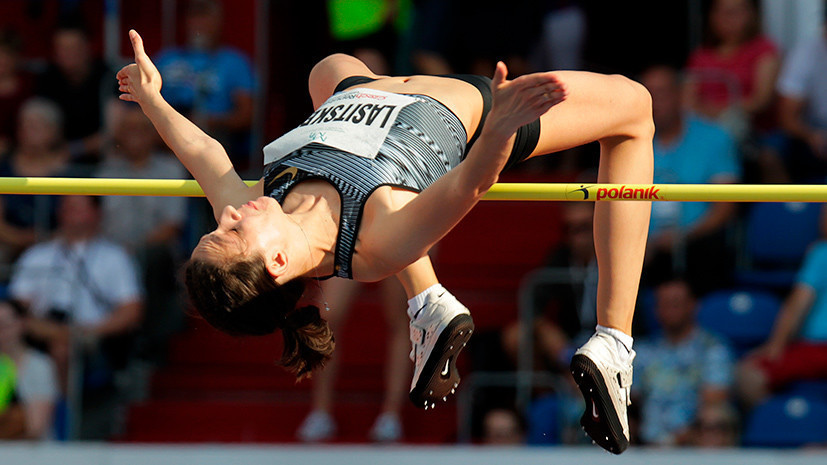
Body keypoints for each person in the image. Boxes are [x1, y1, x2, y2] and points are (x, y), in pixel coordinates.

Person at [118, 28, 654, 454]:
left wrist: (151, 100)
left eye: (218, 222)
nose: (229, 212)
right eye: (231, 231)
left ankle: (429, 301)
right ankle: (613, 340)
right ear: (278, 262)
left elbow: (206, 155)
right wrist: (499, 130)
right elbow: (470, 184)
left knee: (329, 68)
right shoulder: (376, 244)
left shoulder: (267, 203)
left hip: (362, 95)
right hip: (472, 113)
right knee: (635, 108)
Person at [8, 195, 144, 439]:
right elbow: (17, 305)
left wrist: (88, 331)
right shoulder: (38, 254)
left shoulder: (114, 256)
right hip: (39, 331)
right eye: (65, 207)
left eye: (77, 208)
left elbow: (131, 311)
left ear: (96, 213)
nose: (69, 213)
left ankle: (63, 419)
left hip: (94, 336)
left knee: (63, 347)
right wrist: (39, 327)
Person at [640, 65, 740, 294]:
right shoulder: (627, 143)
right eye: (648, 95)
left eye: (661, 93)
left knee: (710, 249)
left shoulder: (714, 137)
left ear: (679, 95)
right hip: (643, 248)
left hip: (698, 243)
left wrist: (683, 236)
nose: (654, 102)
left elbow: (726, 207)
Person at [296, 278, 410, 442]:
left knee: (400, 315)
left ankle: (391, 414)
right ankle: (321, 411)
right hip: (352, 250)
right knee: (328, 314)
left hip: (396, 251)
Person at [633, 278, 735, 446]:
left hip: (694, 444)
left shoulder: (712, 349)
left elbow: (714, 402)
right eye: (664, 304)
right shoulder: (643, 352)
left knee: (713, 420)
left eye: (676, 303)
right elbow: (630, 403)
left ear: (693, 305)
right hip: (645, 445)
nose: (670, 310)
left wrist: (672, 442)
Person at [154, 0, 255, 166]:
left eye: (205, 15)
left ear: (219, 21)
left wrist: (206, 120)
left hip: (213, 138)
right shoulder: (167, 58)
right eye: (194, 15)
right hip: (164, 134)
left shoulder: (235, 62)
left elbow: (246, 116)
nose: (199, 23)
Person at [736, 240, 827, 408]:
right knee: (747, 373)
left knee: (746, 373)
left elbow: (798, 304)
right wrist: (776, 345)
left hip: (817, 348)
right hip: (814, 349)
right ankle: (780, 419)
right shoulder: (823, 253)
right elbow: (798, 303)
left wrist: (776, 345)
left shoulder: (821, 252)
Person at [685, 0, 780, 142]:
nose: (728, 19)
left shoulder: (763, 50)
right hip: (703, 125)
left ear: (751, 14)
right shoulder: (701, 56)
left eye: (735, 12)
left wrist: (718, 111)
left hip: (752, 131)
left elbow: (761, 101)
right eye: (722, 12)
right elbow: (687, 100)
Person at [0, 300, 59, 440]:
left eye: (5, 326)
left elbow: (36, 428)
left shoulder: (40, 365)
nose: (1, 333)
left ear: (21, 324)